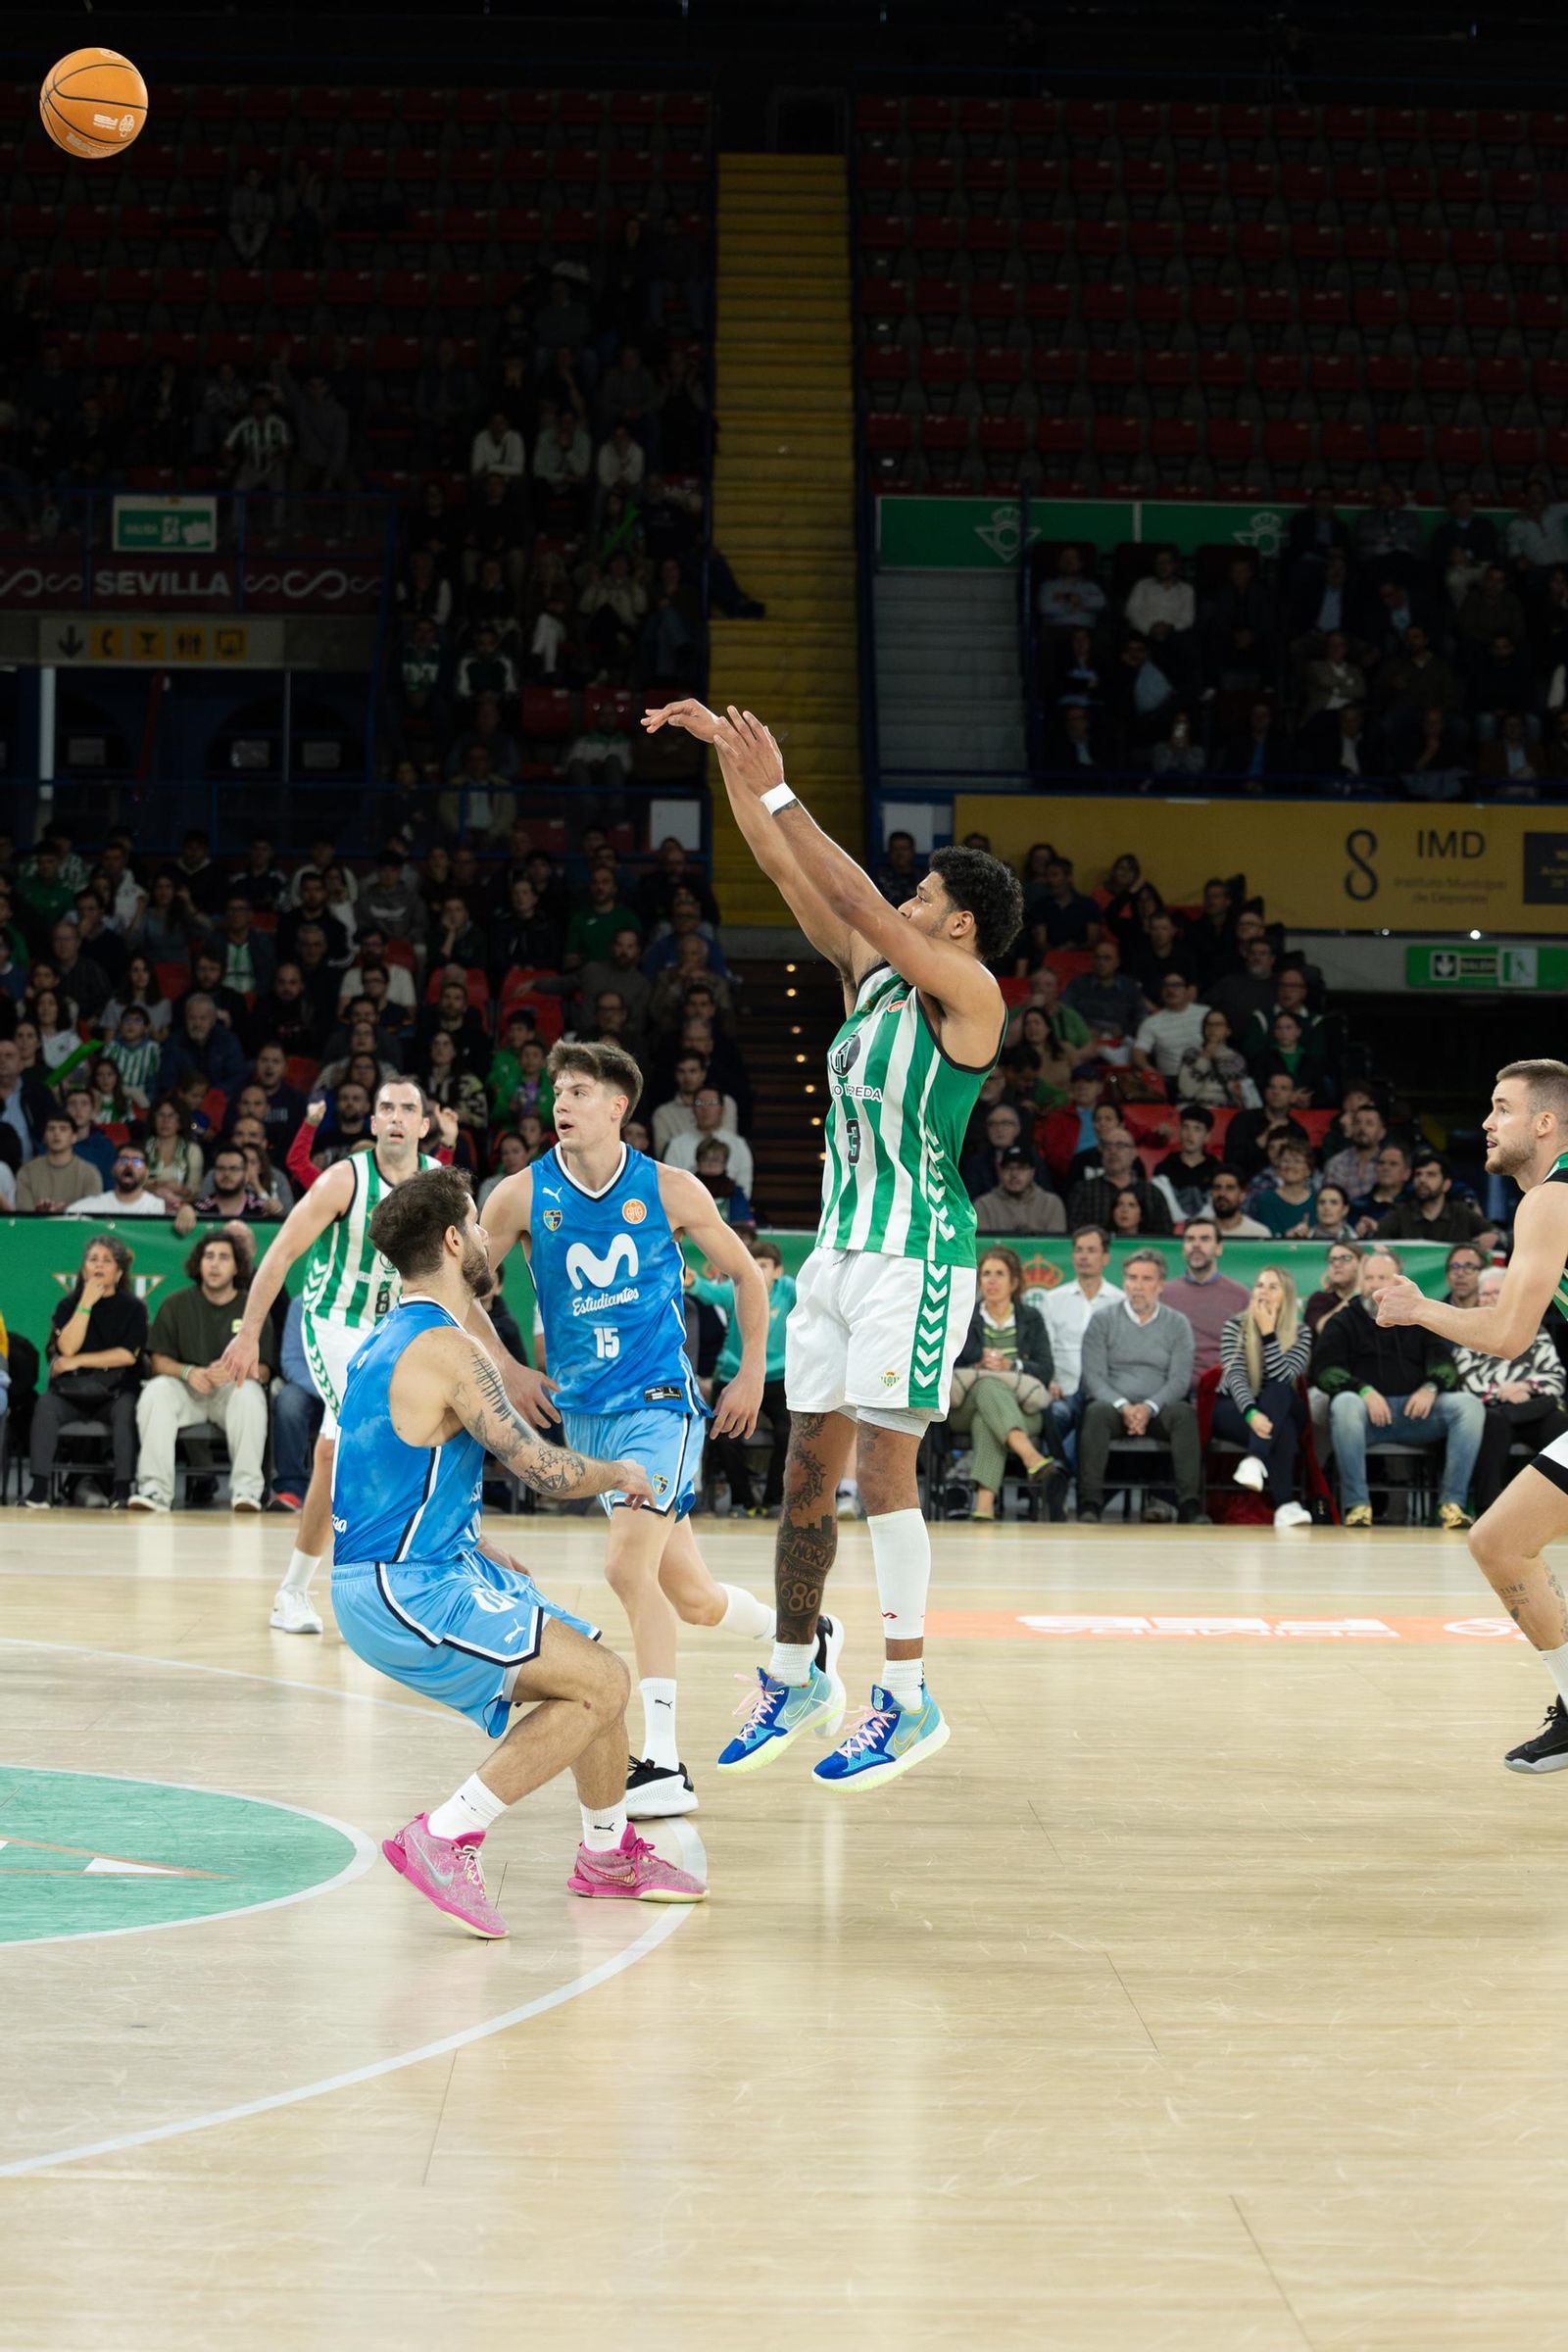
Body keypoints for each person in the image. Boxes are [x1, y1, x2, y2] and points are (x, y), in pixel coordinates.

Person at [645, 695, 1024, 1789]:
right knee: (806, 1467)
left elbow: (852, 887)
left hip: (918, 1255)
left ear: (955, 923)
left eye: (923, 897)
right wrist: (730, 763)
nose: (902, 904)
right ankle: (795, 1667)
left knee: (884, 1471)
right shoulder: (874, 979)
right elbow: (784, 868)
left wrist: (779, 781)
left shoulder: (969, 996)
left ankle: (906, 1697)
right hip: (840, 1252)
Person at [330, 1166, 706, 1935]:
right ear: (451, 1240)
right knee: (601, 1684)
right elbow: (540, 1468)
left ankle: (607, 1854)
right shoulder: (449, 1348)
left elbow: (373, 1469)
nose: (486, 1235)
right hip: (405, 1587)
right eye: (475, 1222)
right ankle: (445, 1835)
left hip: (427, 1563)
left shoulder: (386, 1339)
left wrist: (466, 1533)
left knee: (594, 1663)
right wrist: (620, 1472)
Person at [481, 1039, 783, 1820]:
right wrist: (509, 1368)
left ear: (619, 1107)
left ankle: (664, 1761)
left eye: (579, 1091)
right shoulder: (518, 1195)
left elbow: (748, 1275)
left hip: (658, 1405)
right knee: (692, 1597)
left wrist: (749, 1371)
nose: (562, 1104)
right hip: (584, 1419)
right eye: (558, 1092)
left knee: (626, 1571)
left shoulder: (669, 1189)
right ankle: (803, 1641)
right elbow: (459, 1292)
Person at [219, 1081, 489, 1636]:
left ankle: (297, 1589)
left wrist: (497, 1356)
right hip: (334, 1322)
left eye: (407, 1109)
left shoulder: (440, 1186)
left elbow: (469, 1269)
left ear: (424, 1126)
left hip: (398, 1325)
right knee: (365, 1435)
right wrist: (248, 1334)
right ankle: (370, 1585)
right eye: (385, 1107)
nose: (395, 1116)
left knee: (332, 1454)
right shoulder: (344, 1179)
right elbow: (281, 1253)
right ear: (372, 1123)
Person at [1370, 1059, 1568, 1767]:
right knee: (1500, 1541)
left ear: (1544, 1123)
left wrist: (1421, 1308)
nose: (1487, 1121)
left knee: (1500, 1543)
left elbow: (1511, 1336)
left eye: (1502, 1108)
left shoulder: (1551, 1200)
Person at [1313, 1246, 1483, 1531]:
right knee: (1344, 1403)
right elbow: (1324, 1371)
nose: (1374, 1285)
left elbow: (1445, 1363)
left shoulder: (1420, 1316)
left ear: (1397, 1281)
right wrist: (1362, 1390)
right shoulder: (1344, 1320)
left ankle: (1451, 1505)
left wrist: (1431, 1387)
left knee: (1468, 1406)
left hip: (1416, 1415)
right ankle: (1358, 1506)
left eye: (1382, 1278)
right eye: (1369, 1278)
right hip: (1364, 1419)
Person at [130, 1231, 274, 1514]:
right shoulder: (176, 1303)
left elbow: (266, 1370)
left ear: (237, 1266)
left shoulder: (252, 1307)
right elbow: (157, 1361)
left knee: (250, 1394)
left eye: (223, 1257)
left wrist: (234, 1371)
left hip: (231, 1391)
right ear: (199, 1264)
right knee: (155, 1391)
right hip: (186, 1389)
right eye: (209, 1257)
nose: (215, 1264)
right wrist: (187, 1371)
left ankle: (247, 1491)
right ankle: (155, 1491)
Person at [1077, 1249, 1205, 1525]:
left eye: (1146, 1279)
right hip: (1113, 1407)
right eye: (1132, 1278)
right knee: (1095, 1413)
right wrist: (1124, 1407)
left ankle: (1190, 1504)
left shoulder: (1177, 1324)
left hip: (1159, 1408)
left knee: (1184, 1414)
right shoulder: (1102, 1320)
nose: (1137, 1286)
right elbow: (1094, 1377)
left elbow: (1180, 1381)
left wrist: (1148, 1408)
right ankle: (1089, 1502)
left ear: (1160, 1285)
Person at [25, 1235, 147, 1509]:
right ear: (83, 1270)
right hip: (72, 1392)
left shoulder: (133, 1308)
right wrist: (86, 1304)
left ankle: (122, 1490)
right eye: (93, 1260)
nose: (99, 1266)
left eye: (107, 1260)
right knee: (45, 1405)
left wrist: (78, 1362)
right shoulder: (68, 1306)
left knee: (126, 1409)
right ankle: (39, 1490)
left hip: (114, 1392)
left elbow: (126, 1355)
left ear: (118, 1272)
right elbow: (66, 1348)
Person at [948, 1248, 1057, 1520]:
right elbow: (945, 1362)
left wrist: (1012, 1366)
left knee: (987, 1418)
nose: (992, 1281)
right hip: (965, 1405)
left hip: (1022, 1409)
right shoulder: (964, 1315)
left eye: (999, 1274)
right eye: (986, 1274)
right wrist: (977, 1364)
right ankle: (1030, 1457)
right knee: (988, 1388)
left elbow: (1045, 1369)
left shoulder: (1031, 1318)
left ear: (1015, 1282)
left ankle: (984, 1506)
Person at [688, 1238, 796, 1515]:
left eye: (764, 1265)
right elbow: (710, 1293)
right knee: (724, 1433)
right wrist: (692, 1283)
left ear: (778, 1271)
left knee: (790, 1430)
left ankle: (774, 1499)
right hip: (734, 1374)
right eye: (754, 1265)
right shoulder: (738, 1289)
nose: (758, 1271)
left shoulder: (790, 1290)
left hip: (778, 1378)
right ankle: (743, 1501)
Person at [1216, 1267, 1312, 1529]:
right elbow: (1234, 1376)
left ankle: (1254, 1459)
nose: (1264, 1292)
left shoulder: (1301, 1333)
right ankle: (1285, 1506)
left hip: (1280, 1403)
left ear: (1287, 1296)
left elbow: (1283, 1377)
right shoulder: (1234, 1325)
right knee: (1283, 1428)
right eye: (1259, 1285)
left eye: (1273, 1287)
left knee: (1279, 1393)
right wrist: (1251, 1412)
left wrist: (1269, 1334)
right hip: (1237, 1406)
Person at [1161, 1215, 1251, 1382]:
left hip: (1224, 1387)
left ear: (1218, 1248)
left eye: (1204, 1239)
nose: (1196, 1245)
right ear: (1183, 1249)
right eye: (1190, 1239)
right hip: (1172, 1388)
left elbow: (1250, 1352)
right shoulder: (1163, 1294)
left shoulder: (1241, 1296)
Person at [270, 1294, 322, 1512]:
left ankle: (370, 1488)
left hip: (355, 1387)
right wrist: (325, 1389)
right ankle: (291, 1488)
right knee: (289, 1401)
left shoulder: (368, 1297)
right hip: (312, 1390)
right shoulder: (301, 1305)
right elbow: (291, 1361)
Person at [1375, 1151, 1488, 1245]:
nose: (1422, 1180)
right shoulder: (1400, 1213)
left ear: (1446, 1185)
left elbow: (1498, 1235)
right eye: (1418, 1174)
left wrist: (1493, 1236)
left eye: (1430, 1174)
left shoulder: (1461, 1213)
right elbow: (1377, 1239)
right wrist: (1371, 1230)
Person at [15, 1109, 101, 1213]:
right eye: (51, 1129)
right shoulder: (27, 1172)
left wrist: (65, 1211)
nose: (56, 1133)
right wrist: (40, 1214)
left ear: (74, 1137)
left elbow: (92, 1215)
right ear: (45, 1137)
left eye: (63, 1129)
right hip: (37, 1228)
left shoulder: (90, 1173)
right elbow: (24, 1217)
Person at [973, 1146, 1067, 1236]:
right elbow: (983, 1248)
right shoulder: (983, 1205)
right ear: (1000, 1172)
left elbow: (1056, 1247)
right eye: (1009, 1168)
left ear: (1032, 1172)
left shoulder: (1051, 1203)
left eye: (1021, 1168)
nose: (1014, 1174)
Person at [65, 1144, 172, 1220]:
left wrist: (186, 1210)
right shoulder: (92, 1206)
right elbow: (69, 1215)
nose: (129, 1165)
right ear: (113, 1168)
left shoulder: (158, 1208)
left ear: (146, 1172)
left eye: (137, 1161)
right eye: (123, 1160)